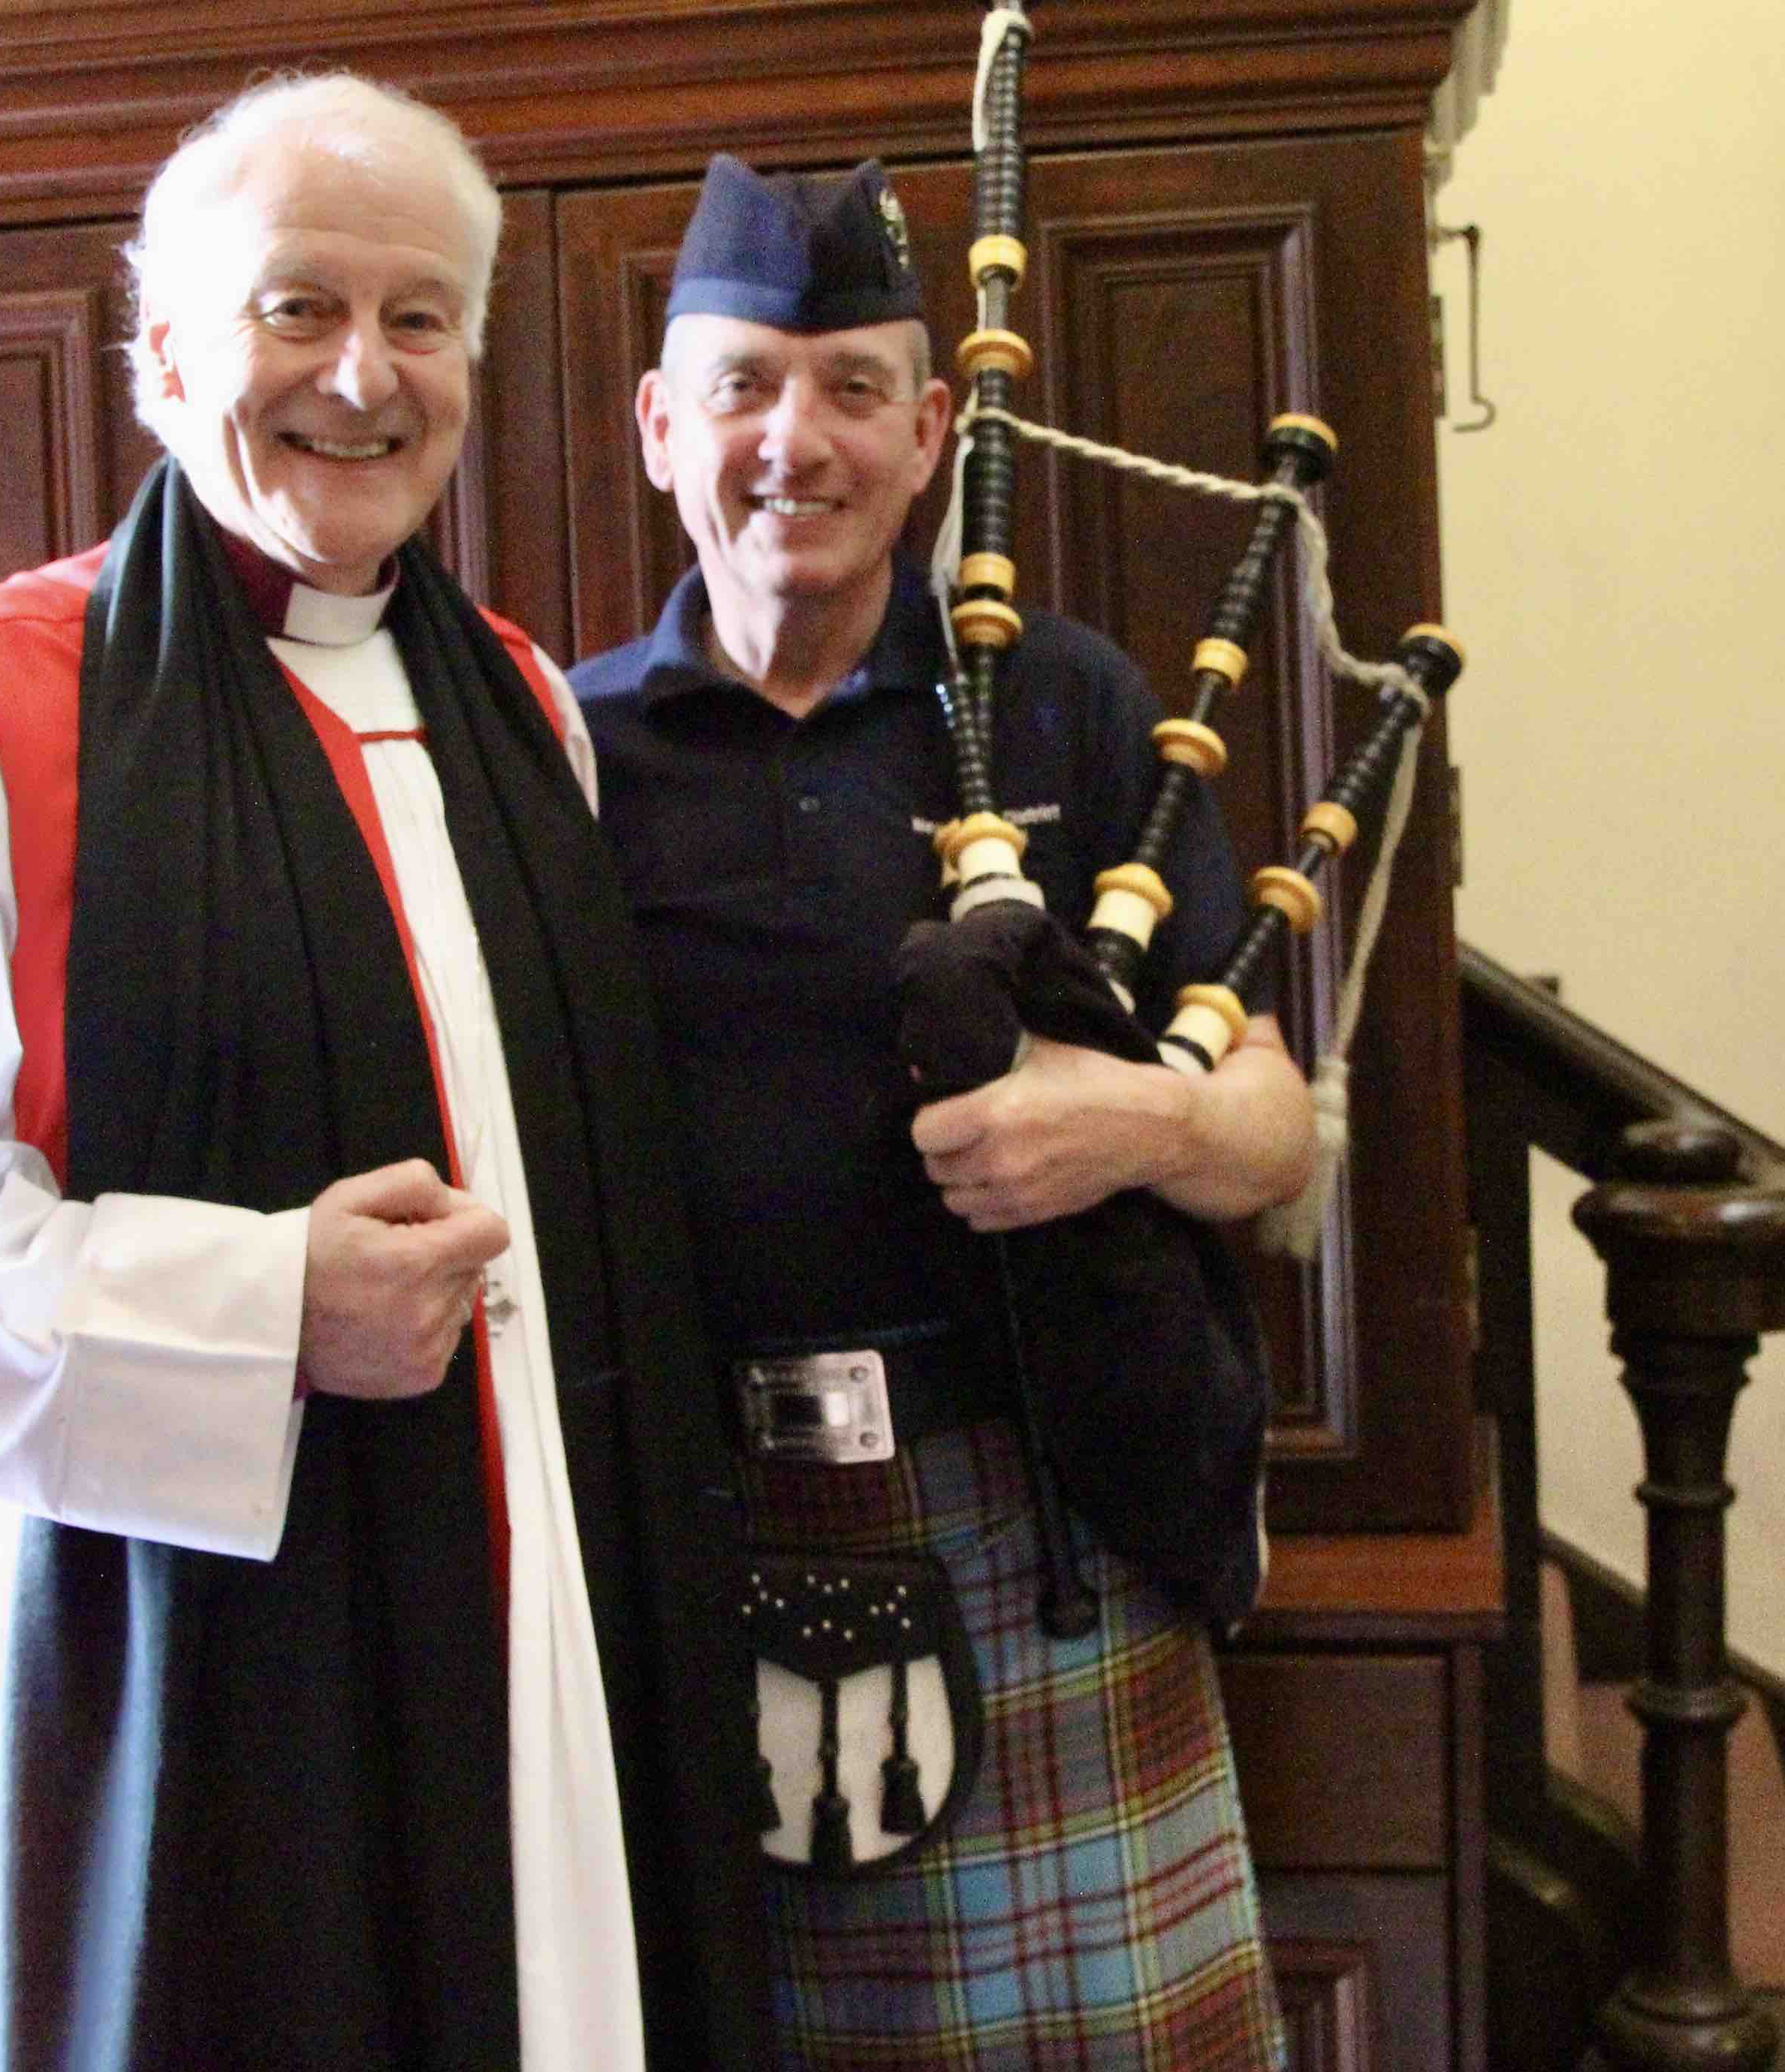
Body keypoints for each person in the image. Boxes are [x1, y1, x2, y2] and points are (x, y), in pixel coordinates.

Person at [0, 76, 765, 2072]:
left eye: (419, 319)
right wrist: (257, 1313)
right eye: (294, 309)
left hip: (541, 1637)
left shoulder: (520, 706)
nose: (363, 375)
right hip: (166, 1672)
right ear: (161, 354)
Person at [570, 153, 1314, 2069]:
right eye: (740, 385)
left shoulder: (1061, 703)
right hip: (686, 1528)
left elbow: (1275, 1128)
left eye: (845, 390)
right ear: (662, 422)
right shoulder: (560, 747)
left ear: (931, 430)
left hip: (1031, 1507)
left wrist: (1127, 1126)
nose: (787, 440)